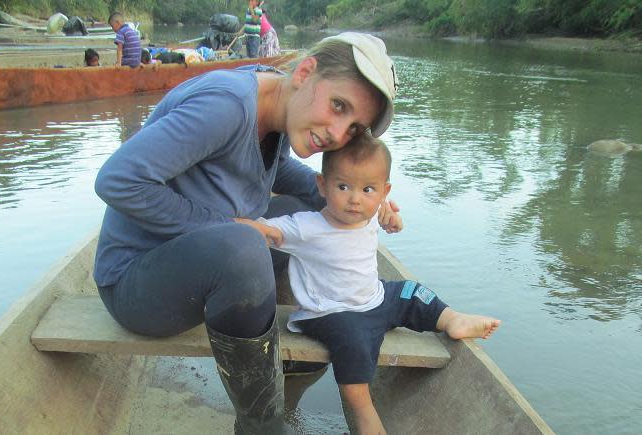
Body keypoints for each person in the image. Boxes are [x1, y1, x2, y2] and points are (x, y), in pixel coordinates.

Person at [93, 32, 398, 434]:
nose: (337, 134)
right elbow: (117, 181)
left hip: (200, 261)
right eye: (338, 105)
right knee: (246, 245)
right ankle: (261, 426)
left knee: (305, 215)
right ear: (306, 72)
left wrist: (349, 196)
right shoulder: (227, 107)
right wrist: (230, 227)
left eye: (353, 127)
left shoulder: (278, 100)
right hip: (136, 282)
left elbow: (274, 172)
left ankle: (283, 365)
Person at [259, 134, 502, 434]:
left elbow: (392, 223)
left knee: (413, 293)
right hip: (334, 314)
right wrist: (232, 223)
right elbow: (266, 231)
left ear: (383, 192)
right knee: (354, 352)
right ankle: (365, 415)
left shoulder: (368, 214)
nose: (355, 199)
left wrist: (393, 220)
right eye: (343, 186)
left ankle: (453, 320)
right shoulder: (305, 227)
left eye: (367, 189)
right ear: (322, 185)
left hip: (374, 298)